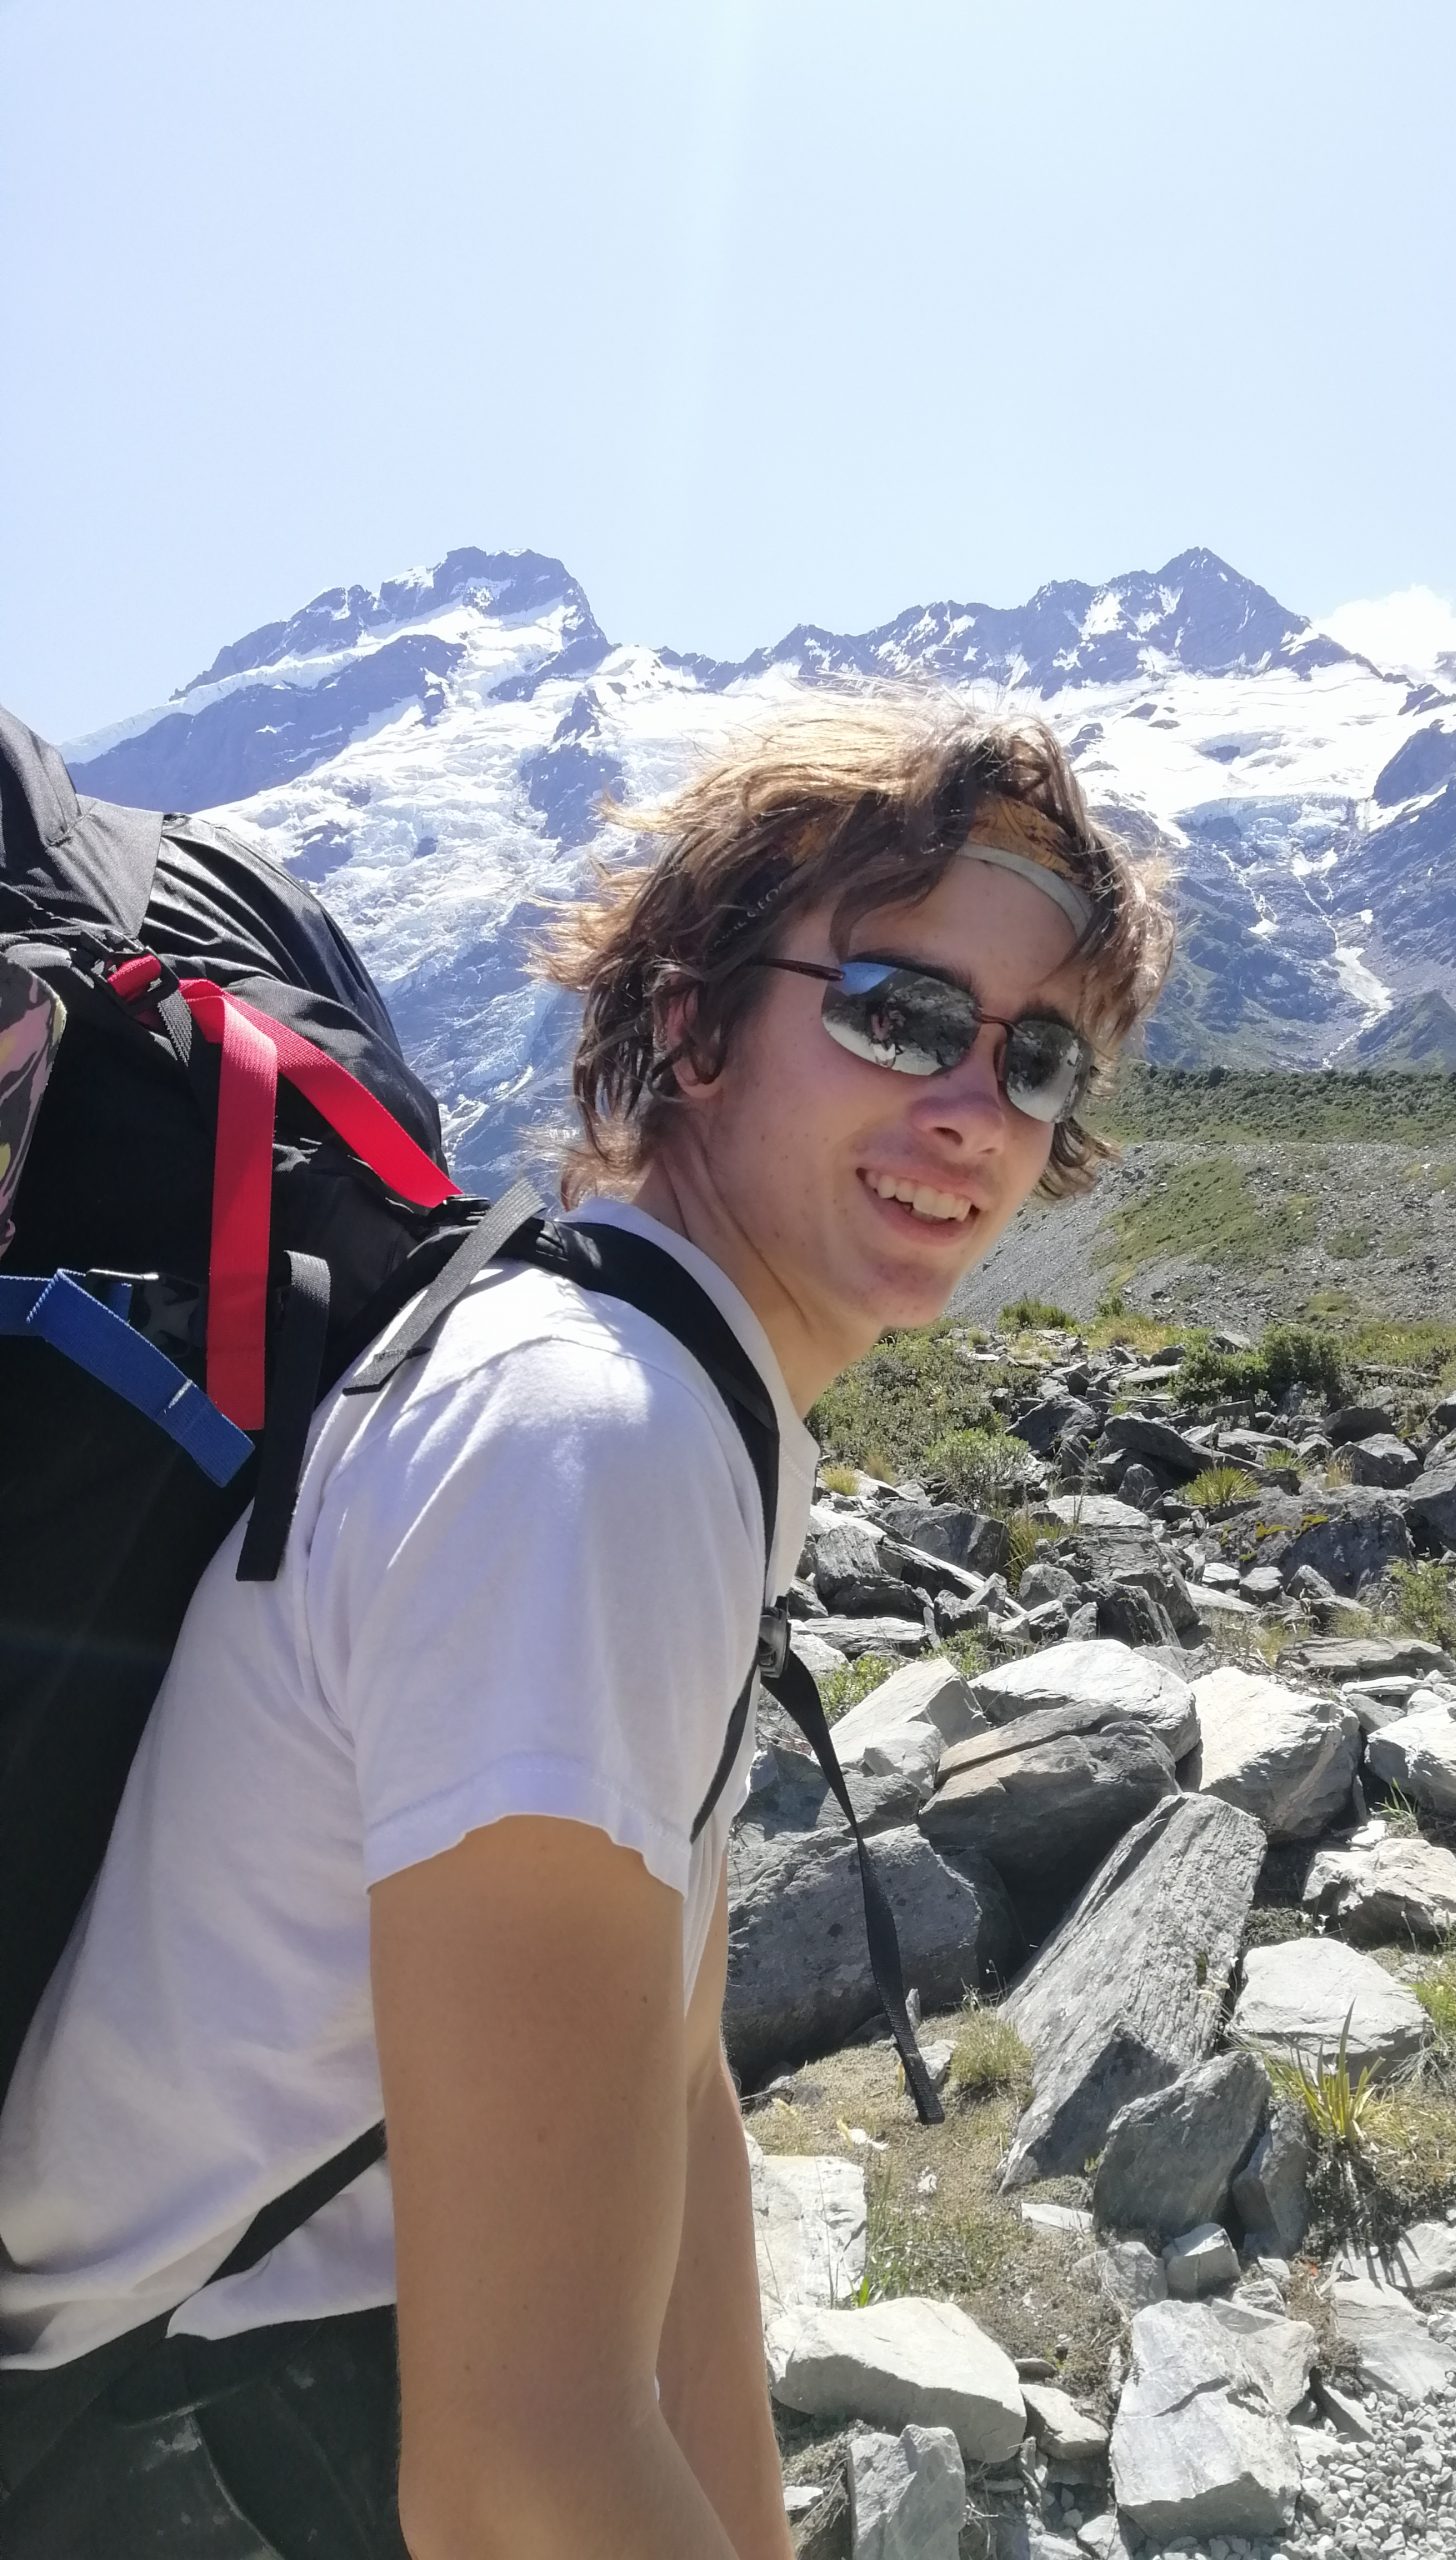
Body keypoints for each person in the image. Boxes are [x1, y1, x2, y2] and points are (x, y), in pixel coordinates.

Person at [0, 692, 1171, 2557]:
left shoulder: (650, 1378)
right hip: (168, 2440)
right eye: (900, 1011)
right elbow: (514, 2476)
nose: (973, 1108)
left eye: (1037, 1061)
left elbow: (677, 2072)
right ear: (693, 1019)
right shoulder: (589, 1443)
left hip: (251, 2361)